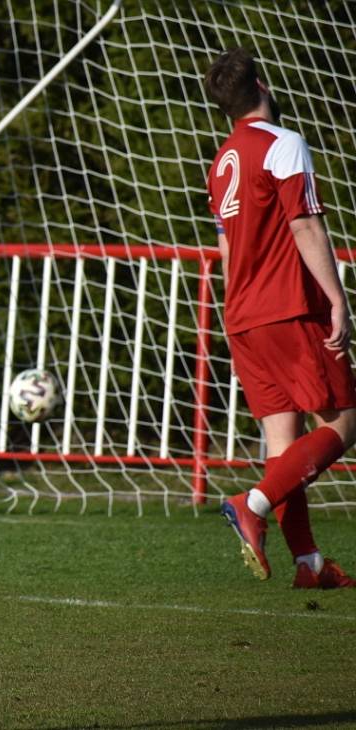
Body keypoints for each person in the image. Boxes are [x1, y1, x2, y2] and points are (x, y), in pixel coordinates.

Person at [204, 47, 356, 590]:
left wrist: (235, 315)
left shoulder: (221, 161)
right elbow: (305, 226)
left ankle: (309, 564)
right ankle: (254, 503)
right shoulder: (283, 143)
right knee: (345, 422)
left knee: (283, 445)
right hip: (289, 308)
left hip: (243, 314)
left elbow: (226, 249)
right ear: (263, 86)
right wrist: (337, 298)